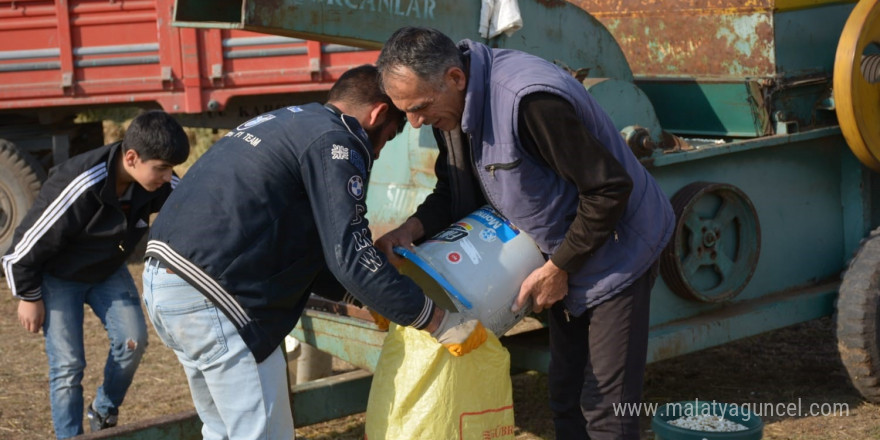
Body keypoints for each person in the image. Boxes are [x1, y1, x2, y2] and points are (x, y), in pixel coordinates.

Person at [141, 64, 485, 439]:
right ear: (378, 113)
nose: (378, 151)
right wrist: (437, 320)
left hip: (166, 283)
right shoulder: (337, 140)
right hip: (219, 297)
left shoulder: (290, 122)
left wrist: (368, 297)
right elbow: (348, 253)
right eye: (385, 140)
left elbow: (313, 244)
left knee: (223, 432)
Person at [374, 27, 676, 440]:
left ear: (455, 78)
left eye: (420, 107)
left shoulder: (528, 101)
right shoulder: (448, 105)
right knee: (566, 398)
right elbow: (454, 187)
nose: (414, 121)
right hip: (558, 252)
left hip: (616, 250)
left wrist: (560, 267)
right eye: (404, 110)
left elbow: (609, 189)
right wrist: (410, 229)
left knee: (606, 408)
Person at [1, 110, 190, 438]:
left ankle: (103, 410)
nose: (166, 177)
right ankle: (69, 435)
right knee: (68, 366)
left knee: (133, 341)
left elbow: (192, 206)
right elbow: (22, 248)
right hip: (59, 276)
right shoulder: (81, 181)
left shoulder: (158, 178)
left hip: (106, 268)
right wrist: (29, 296)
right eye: (161, 169)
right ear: (131, 157)